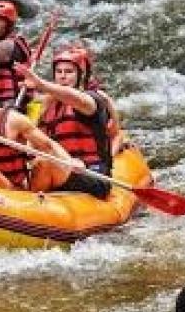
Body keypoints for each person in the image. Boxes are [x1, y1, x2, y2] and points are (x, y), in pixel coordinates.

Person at [15, 46, 113, 199]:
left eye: (69, 72)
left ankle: (27, 204)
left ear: (80, 76)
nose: (62, 76)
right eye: (59, 72)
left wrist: (42, 85)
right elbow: (34, 144)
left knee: (44, 162)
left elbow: (75, 98)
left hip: (92, 175)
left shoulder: (91, 101)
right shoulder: (44, 107)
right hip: (60, 168)